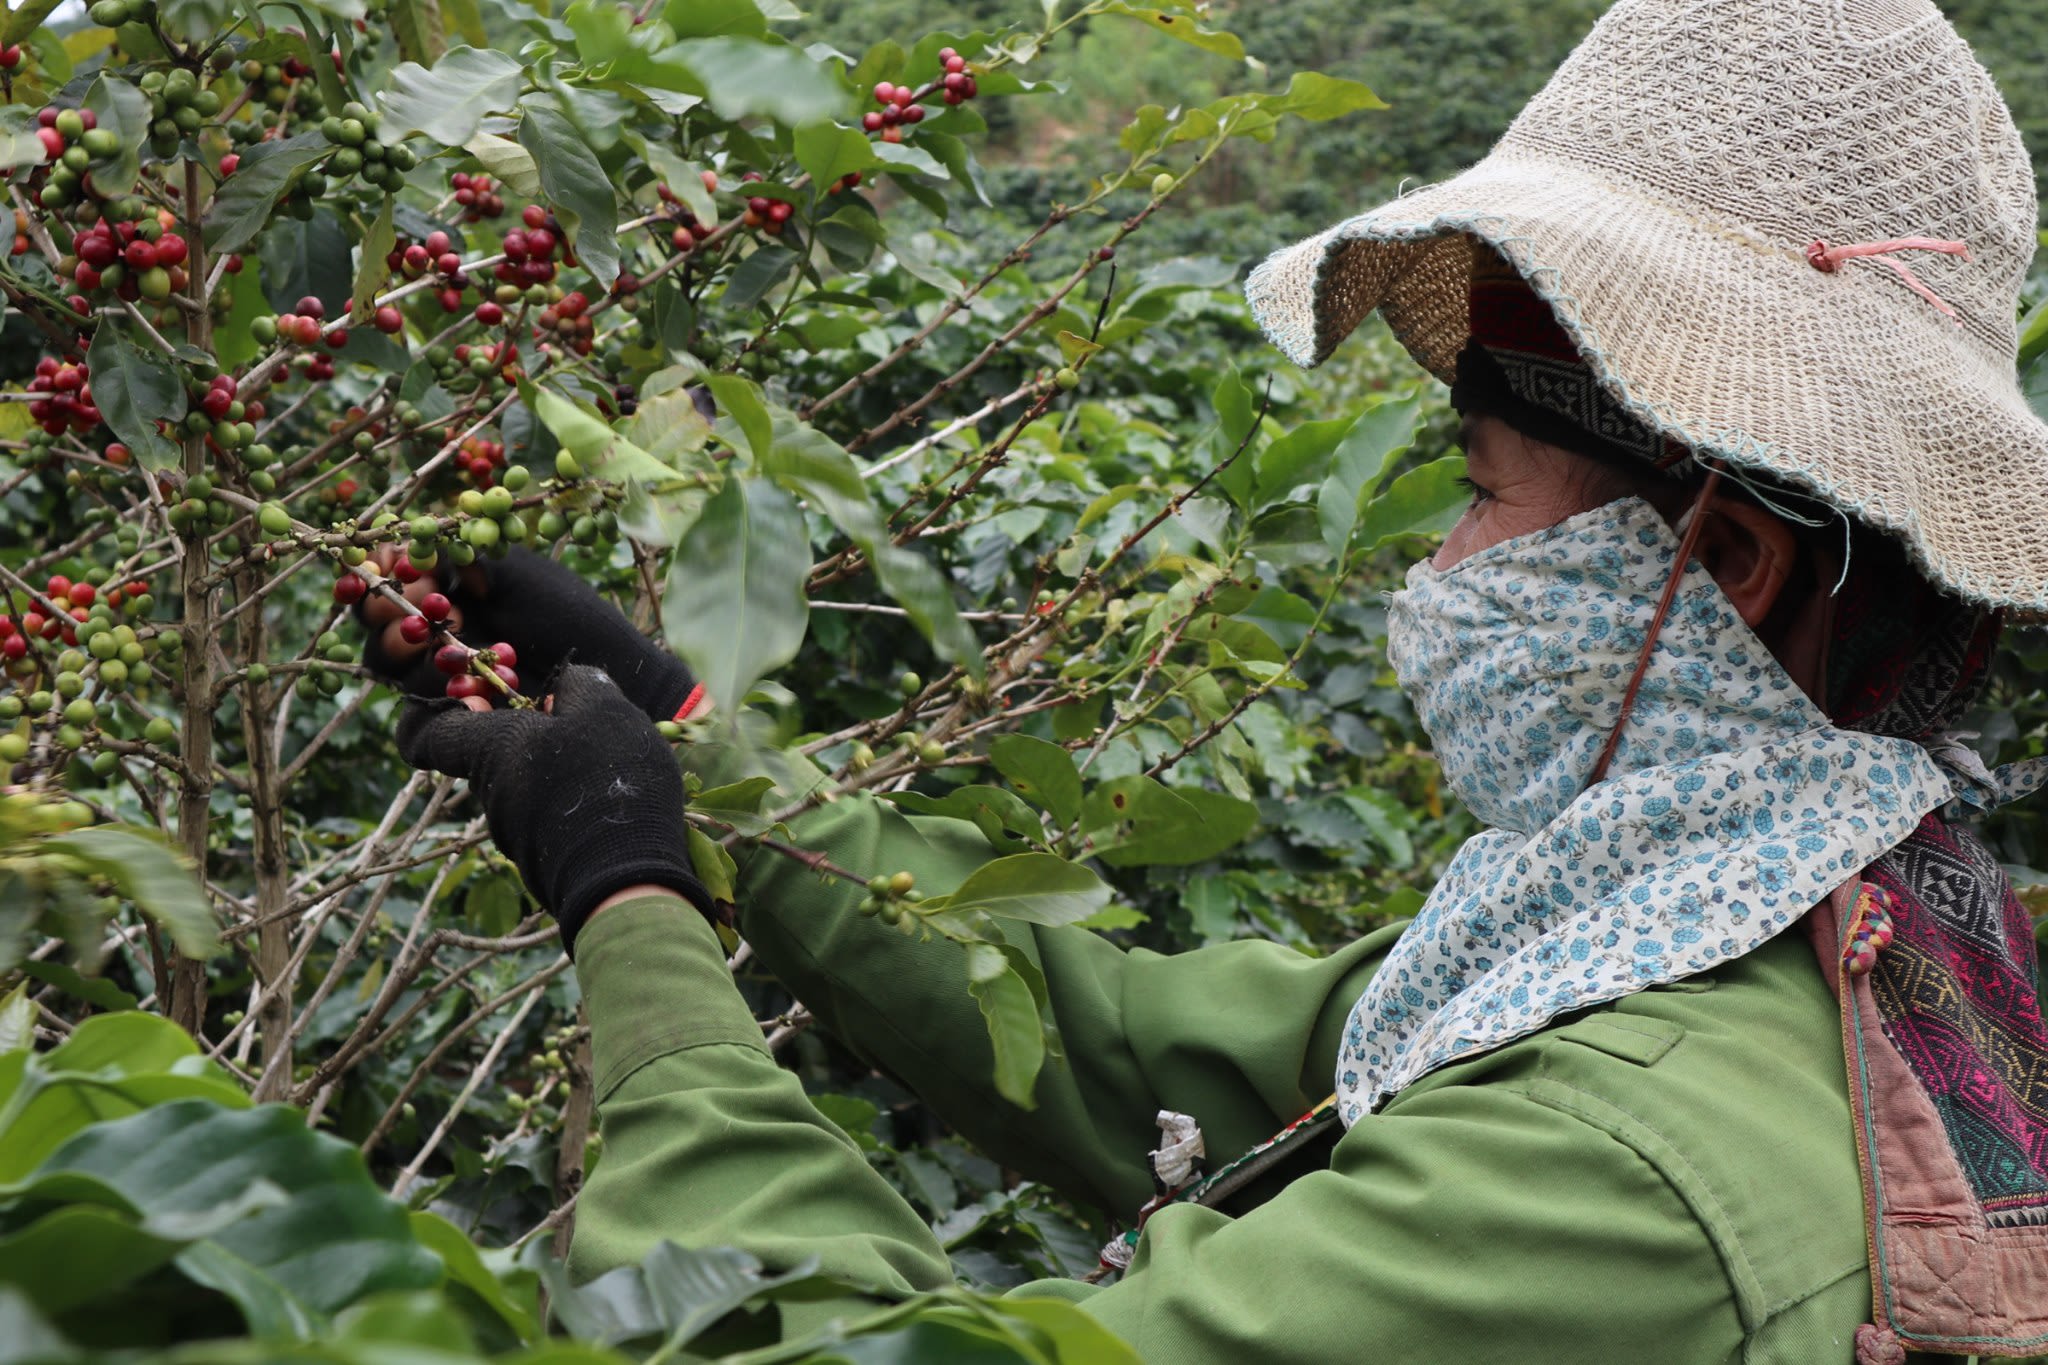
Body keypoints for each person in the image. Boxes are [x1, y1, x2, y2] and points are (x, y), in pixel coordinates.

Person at [361, 1, 2048, 1359]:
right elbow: (1132, 1050)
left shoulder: (1619, 1177)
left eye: (1480, 491)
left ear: (1727, 562)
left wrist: (633, 910)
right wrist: (689, 744)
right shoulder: (1747, 926)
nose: (1440, 567)